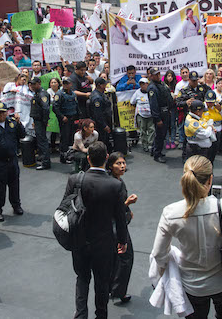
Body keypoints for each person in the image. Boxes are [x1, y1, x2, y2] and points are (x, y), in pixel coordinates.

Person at [151, 155, 222, 319]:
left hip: (192, 285)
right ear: (210, 179)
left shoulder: (170, 213)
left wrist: (168, 265)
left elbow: (158, 254)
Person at [65, 141, 127, 319]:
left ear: (88, 158)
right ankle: (101, 315)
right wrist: (122, 241)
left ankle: (81, 314)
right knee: (102, 282)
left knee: (82, 278)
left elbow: (65, 209)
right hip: (104, 243)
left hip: (79, 241)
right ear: (107, 158)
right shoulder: (115, 186)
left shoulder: (75, 180)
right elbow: (120, 218)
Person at [106, 152, 138, 303]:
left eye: (123, 163)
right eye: (118, 163)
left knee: (114, 257)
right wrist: (127, 205)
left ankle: (111, 288)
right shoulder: (113, 184)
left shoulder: (119, 182)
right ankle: (118, 291)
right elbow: (113, 208)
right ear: (111, 166)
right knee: (125, 256)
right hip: (115, 225)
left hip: (117, 223)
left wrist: (127, 210)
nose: (122, 166)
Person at [147, 67, 173, 163]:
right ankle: (157, 154)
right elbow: (153, 105)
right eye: (155, 74)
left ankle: (154, 150)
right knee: (160, 135)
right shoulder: (152, 87)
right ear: (151, 76)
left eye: (159, 74)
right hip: (160, 113)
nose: (158, 76)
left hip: (165, 111)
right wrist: (157, 119)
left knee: (161, 134)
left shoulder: (160, 83)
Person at [54, 77, 79, 164]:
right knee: (64, 138)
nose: (65, 85)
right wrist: (62, 117)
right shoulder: (59, 94)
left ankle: (70, 155)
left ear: (70, 84)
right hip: (65, 119)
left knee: (71, 138)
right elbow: (55, 107)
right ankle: (63, 157)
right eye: (64, 83)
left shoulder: (73, 94)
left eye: (67, 83)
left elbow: (76, 105)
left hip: (72, 118)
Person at [29, 77, 52, 170]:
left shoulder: (42, 94)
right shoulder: (37, 93)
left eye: (34, 84)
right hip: (37, 120)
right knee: (40, 140)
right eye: (31, 84)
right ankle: (43, 158)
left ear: (39, 83)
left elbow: (45, 108)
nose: (32, 86)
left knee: (43, 141)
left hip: (40, 121)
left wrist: (44, 121)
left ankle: (46, 162)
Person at [89, 77, 113, 152]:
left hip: (105, 121)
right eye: (104, 84)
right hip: (101, 125)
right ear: (99, 85)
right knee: (102, 142)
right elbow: (98, 114)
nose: (105, 85)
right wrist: (104, 125)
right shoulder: (97, 98)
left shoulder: (101, 94)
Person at [130, 78, 153, 153]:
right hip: (141, 115)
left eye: (144, 84)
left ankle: (150, 144)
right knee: (142, 130)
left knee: (151, 130)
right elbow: (132, 102)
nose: (142, 85)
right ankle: (144, 145)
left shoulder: (151, 92)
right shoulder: (137, 92)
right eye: (141, 84)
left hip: (150, 115)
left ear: (147, 84)